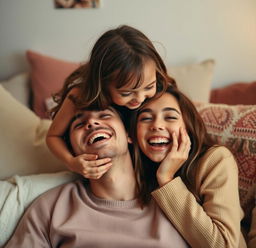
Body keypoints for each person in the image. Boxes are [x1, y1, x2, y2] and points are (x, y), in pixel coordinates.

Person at [5, 106, 188, 247]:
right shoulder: (49, 208)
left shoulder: (175, 198)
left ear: (129, 134)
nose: (91, 123)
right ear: (72, 150)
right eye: (79, 123)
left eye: (104, 115)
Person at [46, 25, 175, 179]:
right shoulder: (80, 95)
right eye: (126, 93)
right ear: (102, 83)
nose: (140, 99)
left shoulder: (162, 89)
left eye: (149, 87)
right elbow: (53, 136)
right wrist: (72, 162)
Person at [130, 86, 247, 248]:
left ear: (188, 126)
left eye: (170, 117)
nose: (156, 125)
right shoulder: (133, 167)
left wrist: (166, 180)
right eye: (146, 118)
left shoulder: (215, 160)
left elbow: (223, 245)